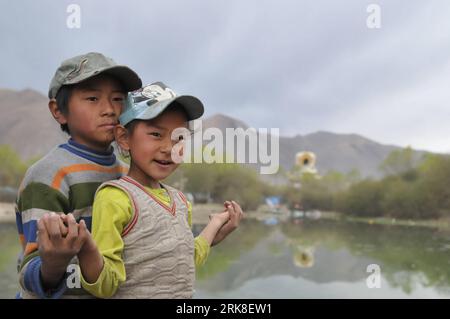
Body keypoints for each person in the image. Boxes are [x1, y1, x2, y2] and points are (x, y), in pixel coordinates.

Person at [72, 82, 244, 298]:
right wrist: (86, 248)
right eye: (155, 134)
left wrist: (215, 225)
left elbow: (184, 260)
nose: (168, 148)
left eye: (179, 138)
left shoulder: (181, 201)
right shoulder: (116, 197)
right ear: (124, 138)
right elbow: (106, 286)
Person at [15, 52, 142, 298]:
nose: (109, 110)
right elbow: (30, 272)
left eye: (118, 99)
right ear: (58, 110)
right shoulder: (50, 176)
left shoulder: (125, 173)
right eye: (92, 98)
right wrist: (53, 264)